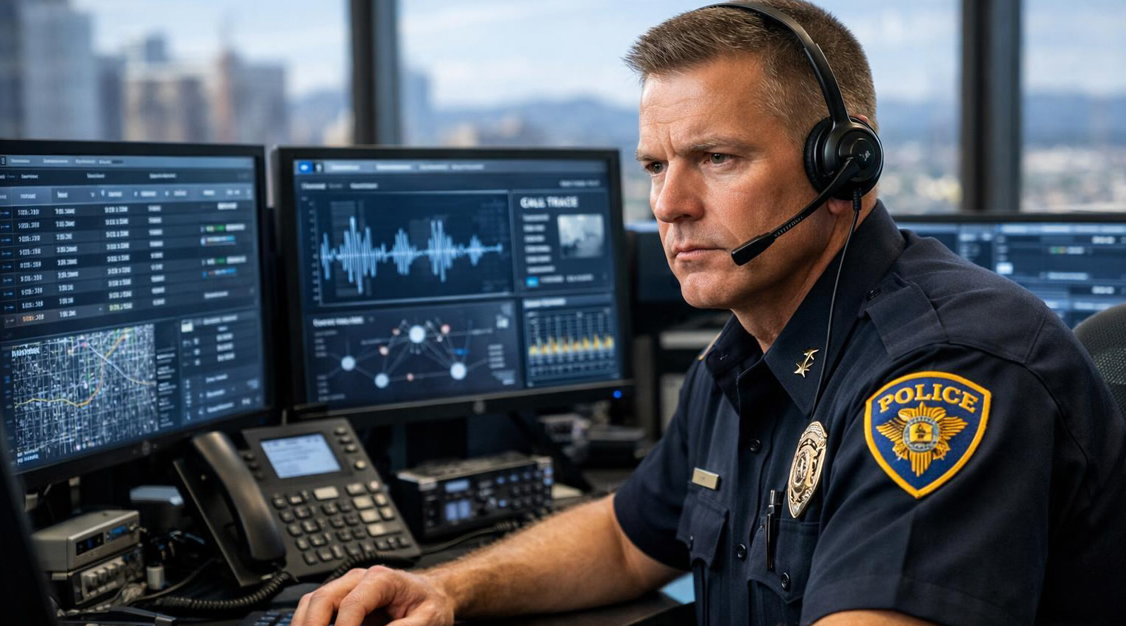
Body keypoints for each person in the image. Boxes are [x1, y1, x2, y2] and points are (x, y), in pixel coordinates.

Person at [291, 2, 1126, 625]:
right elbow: (626, 539)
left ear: (845, 168)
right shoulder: (744, 358)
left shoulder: (948, 373)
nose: (669, 204)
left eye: (716, 159)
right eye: (655, 165)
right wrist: (447, 587)